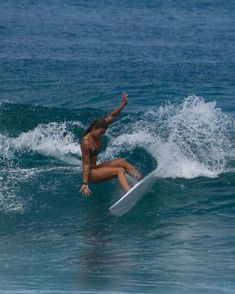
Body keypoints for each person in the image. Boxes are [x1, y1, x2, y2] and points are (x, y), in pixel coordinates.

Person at [79, 92, 142, 197]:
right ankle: (129, 193)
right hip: (91, 174)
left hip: (96, 168)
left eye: (103, 133)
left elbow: (112, 116)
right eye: (100, 132)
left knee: (123, 162)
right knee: (119, 170)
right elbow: (85, 164)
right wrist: (85, 183)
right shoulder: (86, 143)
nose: (102, 135)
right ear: (94, 129)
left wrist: (123, 104)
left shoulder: (100, 126)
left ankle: (139, 179)